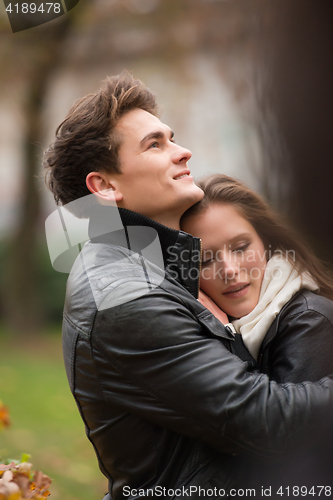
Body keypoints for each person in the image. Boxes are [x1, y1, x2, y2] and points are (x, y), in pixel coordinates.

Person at [44, 72, 333, 500]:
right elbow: (264, 418)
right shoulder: (124, 296)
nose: (183, 152)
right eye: (155, 144)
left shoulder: (152, 264)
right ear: (104, 187)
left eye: (171, 138)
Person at [181, 173, 333, 492]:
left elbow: (279, 448)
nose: (231, 270)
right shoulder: (210, 325)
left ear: (266, 242)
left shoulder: (308, 320)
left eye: (240, 247)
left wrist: (225, 339)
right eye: (206, 259)